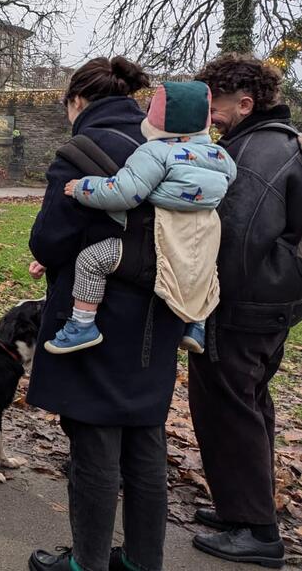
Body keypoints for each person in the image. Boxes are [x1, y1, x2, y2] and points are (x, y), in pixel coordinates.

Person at [26, 57, 185, 571]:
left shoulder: (80, 153)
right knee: (145, 438)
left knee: (94, 442)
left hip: (93, 316)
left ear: (78, 101)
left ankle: (87, 563)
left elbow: (50, 240)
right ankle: (142, 561)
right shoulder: (174, 150)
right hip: (160, 313)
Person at [188, 53, 301, 568]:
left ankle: (257, 531)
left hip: (242, 303)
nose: (209, 115)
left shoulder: (256, 152)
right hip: (274, 300)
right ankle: (242, 509)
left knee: (227, 407)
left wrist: (199, 295)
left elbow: (235, 240)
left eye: (215, 105)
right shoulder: (280, 143)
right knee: (250, 403)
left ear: (246, 103)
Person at [46, 81, 237, 355]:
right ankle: (196, 323)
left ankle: (82, 324)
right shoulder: (221, 156)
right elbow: (230, 179)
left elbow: (122, 192)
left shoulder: (155, 152)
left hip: (159, 236)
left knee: (92, 260)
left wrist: (82, 187)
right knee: (206, 272)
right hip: (203, 233)